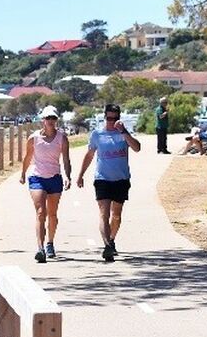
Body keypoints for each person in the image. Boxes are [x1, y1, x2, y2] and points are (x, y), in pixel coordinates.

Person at [75, 103, 140, 261]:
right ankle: (107, 246)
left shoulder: (123, 134)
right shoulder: (97, 134)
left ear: (119, 118)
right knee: (104, 214)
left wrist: (124, 132)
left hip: (121, 179)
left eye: (115, 118)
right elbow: (90, 155)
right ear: (105, 117)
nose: (112, 121)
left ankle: (111, 240)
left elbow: (137, 148)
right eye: (109, 118)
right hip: (102, 178)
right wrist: (80, 174)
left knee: (116, 215)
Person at [18, 105, 72, 263]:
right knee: (41, 212)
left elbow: (66, 159)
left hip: (55, 178)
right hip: (37, 178)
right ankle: (40, 248)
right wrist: (22, 173)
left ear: (56, 120)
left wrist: (68, 176)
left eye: (53, 118)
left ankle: (50, 243)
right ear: (43, 120)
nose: (50, 121)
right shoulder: (34, 138)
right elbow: (28, 157)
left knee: (52, 214)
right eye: (48, 118)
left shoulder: (62, 138)